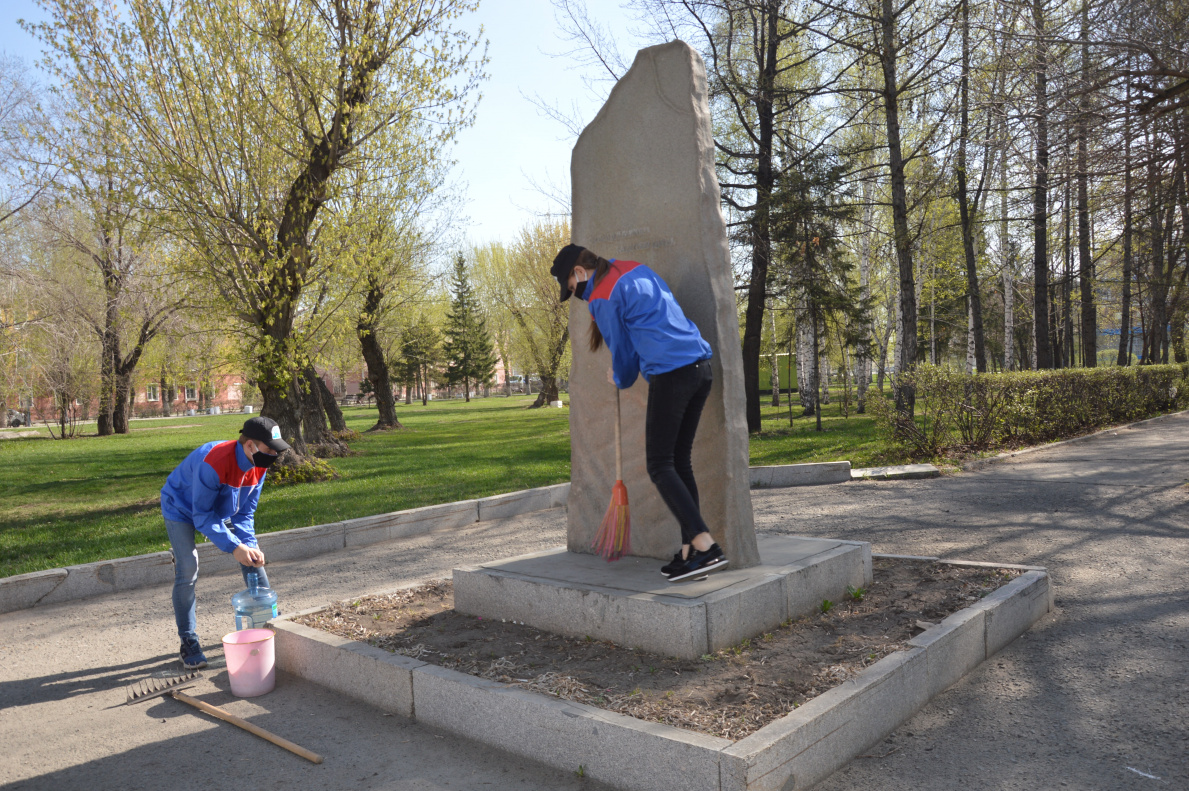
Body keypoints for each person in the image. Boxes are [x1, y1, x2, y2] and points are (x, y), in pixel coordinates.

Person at [551, 243, 729, 582]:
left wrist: (616, 376)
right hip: (699, 368)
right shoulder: (631, 269)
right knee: (679, 462)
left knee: (659, 466)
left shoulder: (602, 295)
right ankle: (691, 551)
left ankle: (706, 546)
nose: (578, 296)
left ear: (578, 272)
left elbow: (626, 362)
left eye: (573, 290)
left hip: (672, 373)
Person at [160, 416, 290, 668]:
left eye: (276, 449)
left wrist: (248, 546)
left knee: (252, 559)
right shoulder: (214, 461)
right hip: (181, 507)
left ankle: (269, 626)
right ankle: (188, 640)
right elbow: (201, 515)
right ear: (250, 445)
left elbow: (244, 513)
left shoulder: (259, 465)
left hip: (220, 510)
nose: (274, 454)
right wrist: (233, 546)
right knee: (188, 568)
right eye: (269, 448)